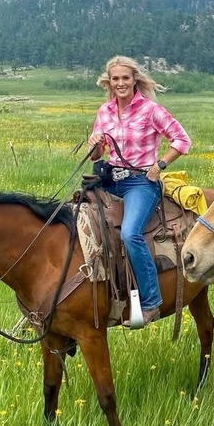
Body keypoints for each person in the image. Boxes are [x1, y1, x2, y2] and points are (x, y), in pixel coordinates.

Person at [87, 55, 192, 327]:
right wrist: (95, 144)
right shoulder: (104, 112)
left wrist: (160, 165)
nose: (120, 83)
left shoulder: (151, 110)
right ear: (108, 82)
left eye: (125, 78)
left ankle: (151, 302)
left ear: (135, 80)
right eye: (115, 79)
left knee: (130, 233)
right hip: (110, 179)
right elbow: (97, 155)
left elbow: (182, 140)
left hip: (140, 182)